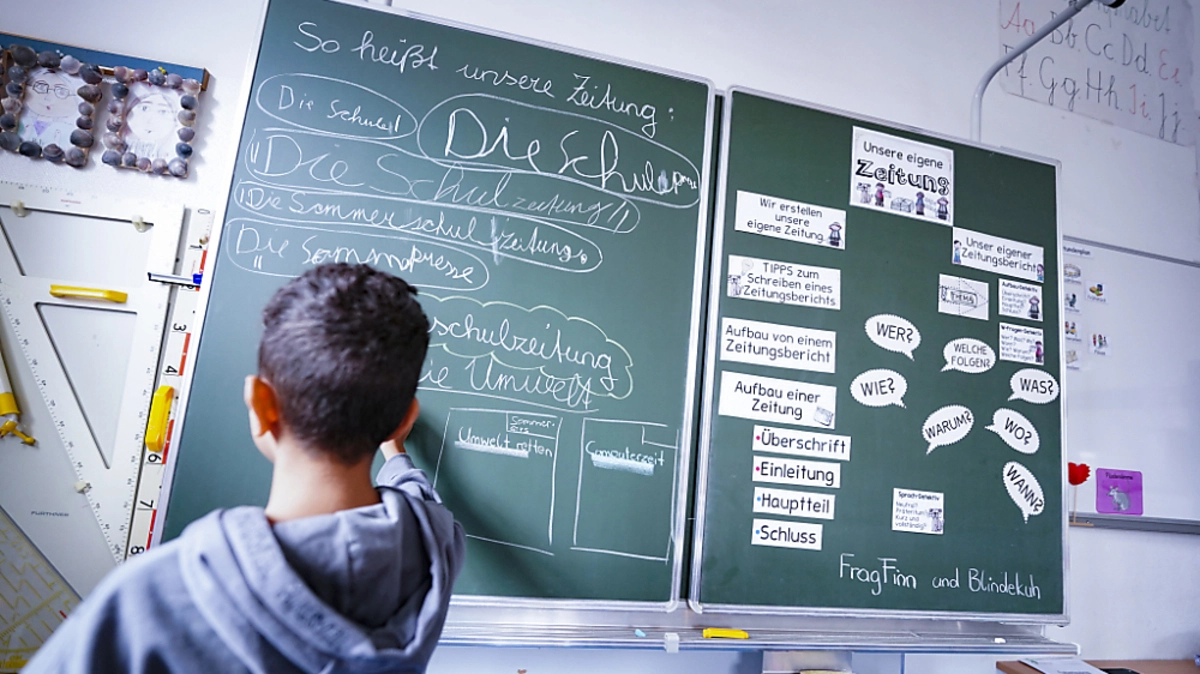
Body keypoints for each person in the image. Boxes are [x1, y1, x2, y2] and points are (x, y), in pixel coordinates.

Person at [25, 263, 466, 674]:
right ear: (404, 419)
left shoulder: (148, 600)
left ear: (260, 404)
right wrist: (395, 453)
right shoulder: (435, 549)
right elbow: (416, 497)